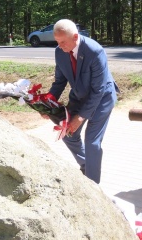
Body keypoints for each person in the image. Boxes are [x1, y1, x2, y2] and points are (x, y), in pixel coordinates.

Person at [48, 19, 118, 184]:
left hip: (102, 98)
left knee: (92, 141)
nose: (60, 46)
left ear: (75, 36)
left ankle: (93, 185)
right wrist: (48, 103)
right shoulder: (60, 52)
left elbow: (98, 90)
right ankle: (87, 165)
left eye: (63, 42)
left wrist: (80, 117)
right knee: (67, 131)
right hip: (80, 95)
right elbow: (59, 81)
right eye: (57, 42)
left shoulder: (94, 51)